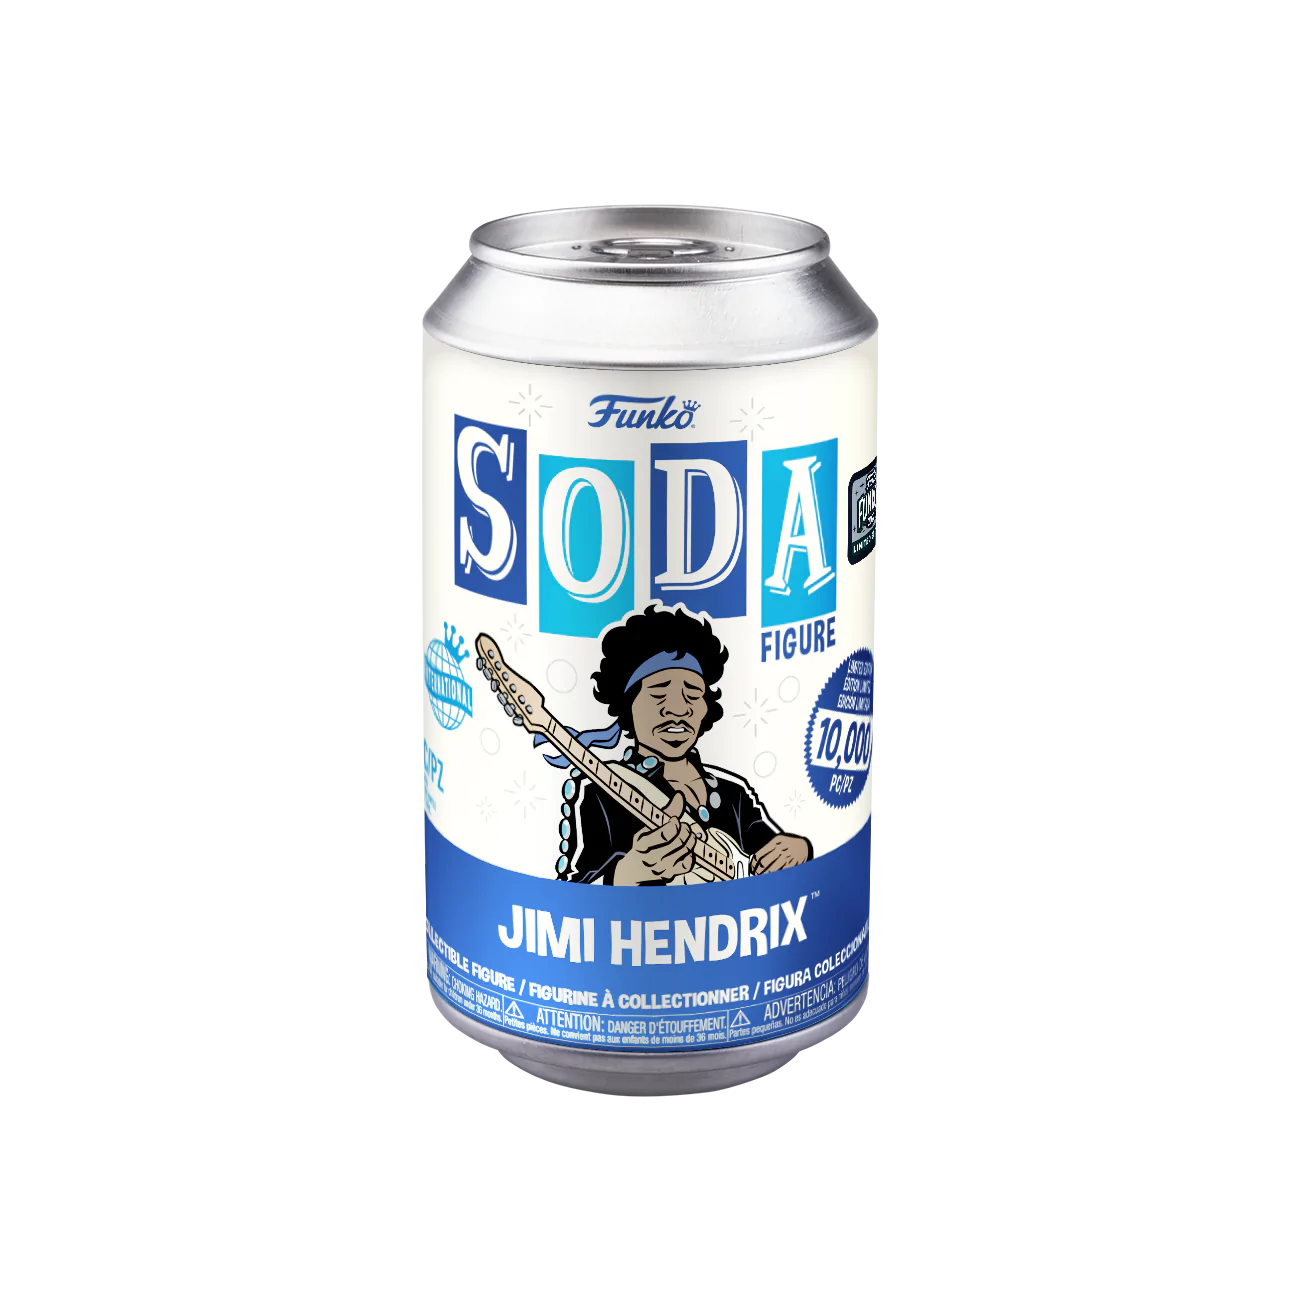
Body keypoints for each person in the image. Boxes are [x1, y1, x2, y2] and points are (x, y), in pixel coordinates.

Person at [558, 606, 813, 885]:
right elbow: (569, 892)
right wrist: (629, 873)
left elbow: (770, 857)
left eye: (692, 693)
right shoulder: (599, 791)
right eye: (659, 692)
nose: (678, 709)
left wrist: (798, 849)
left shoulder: (733, 794)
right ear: (627, 704)